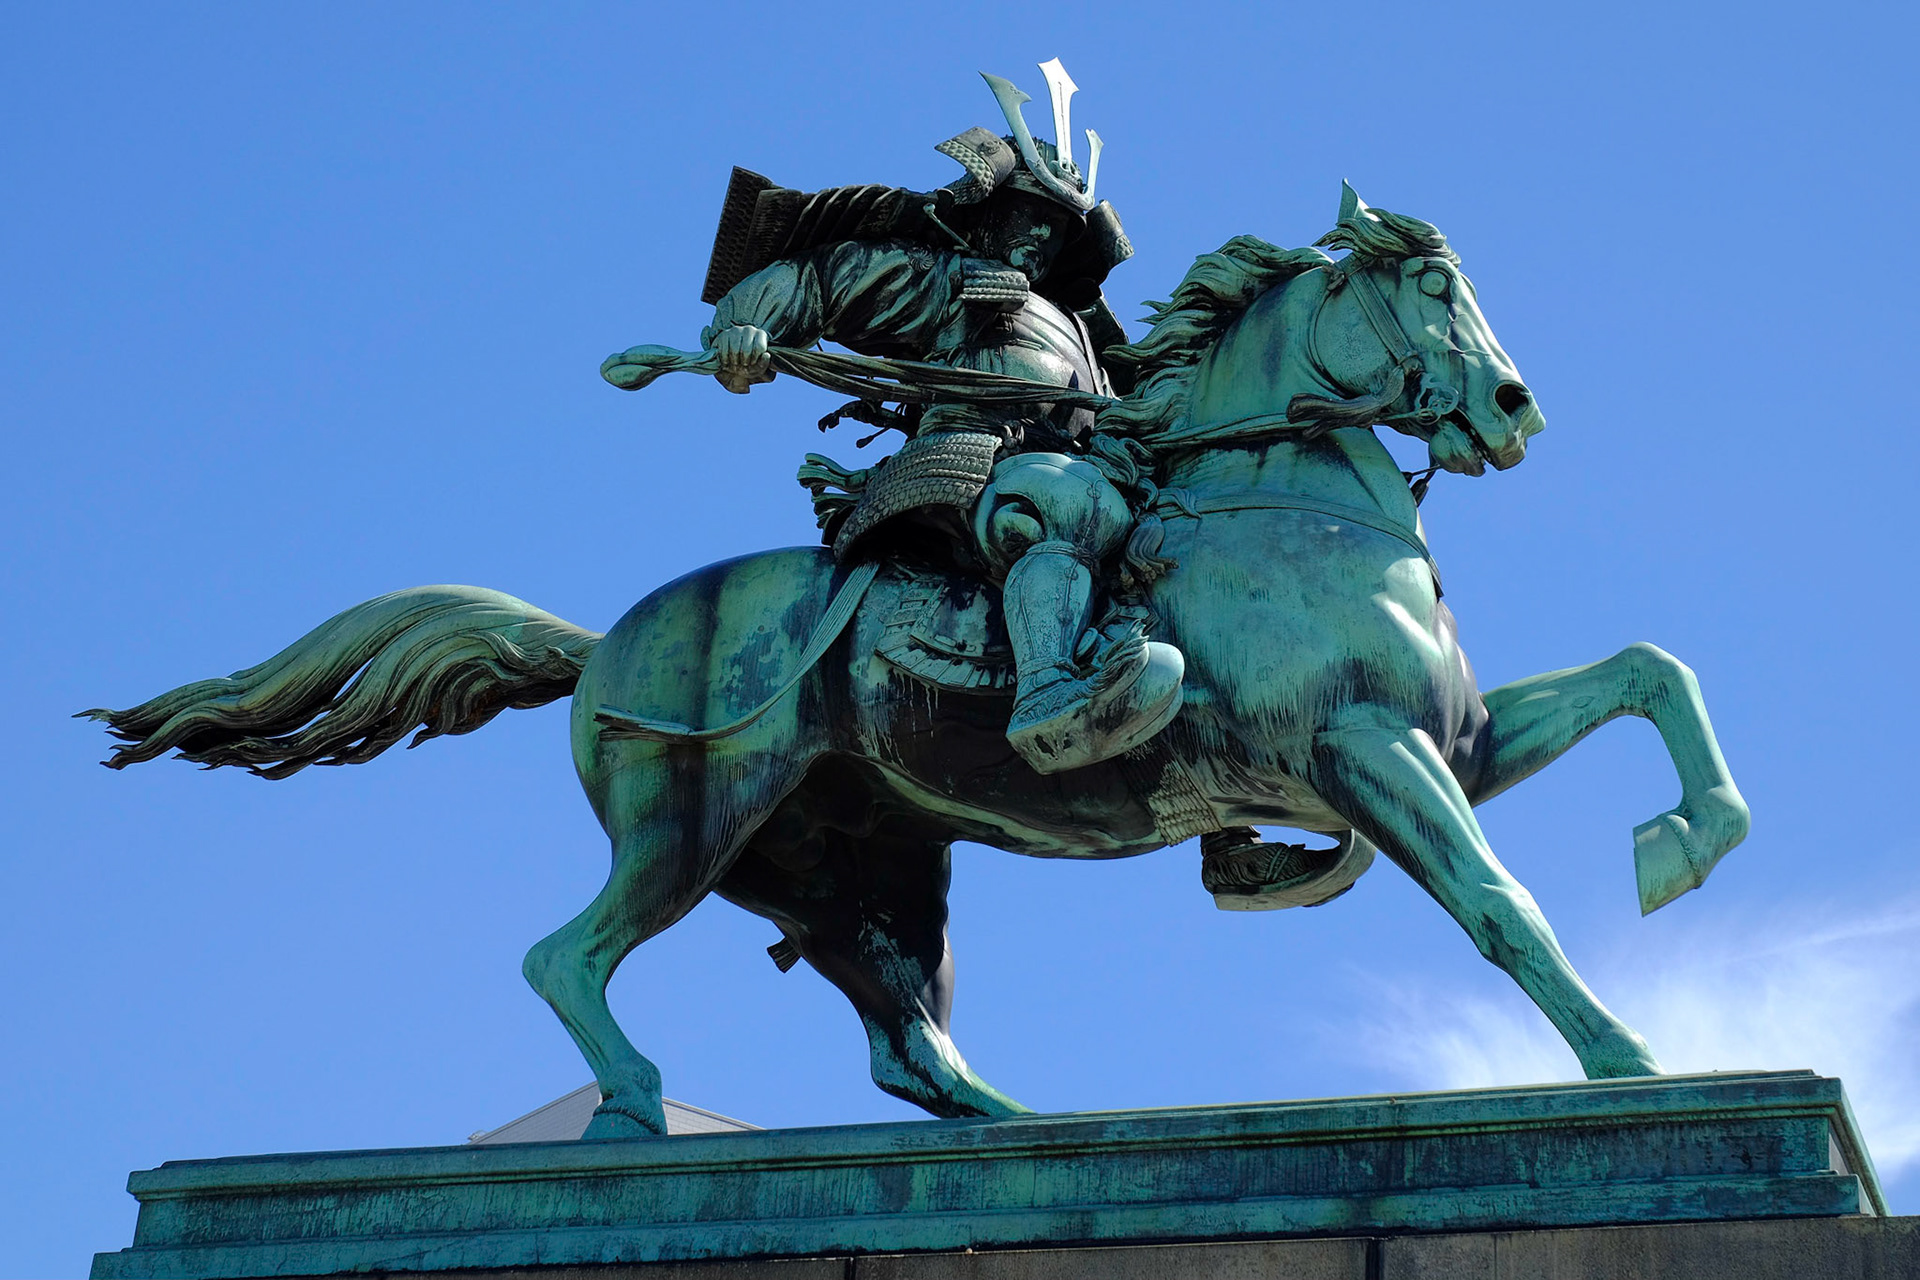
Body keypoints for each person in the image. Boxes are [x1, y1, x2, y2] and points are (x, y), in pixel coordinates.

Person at [697, 63, 1182, 775]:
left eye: (1055, 230)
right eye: (1028, 219)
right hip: (971, 468)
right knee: (1069, 503)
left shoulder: (1087, 336)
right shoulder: (955, 283)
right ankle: (1048, 692)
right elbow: (818, 282)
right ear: (988, 214)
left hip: (1080, 477)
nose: (1039, 239)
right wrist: (748, 327)